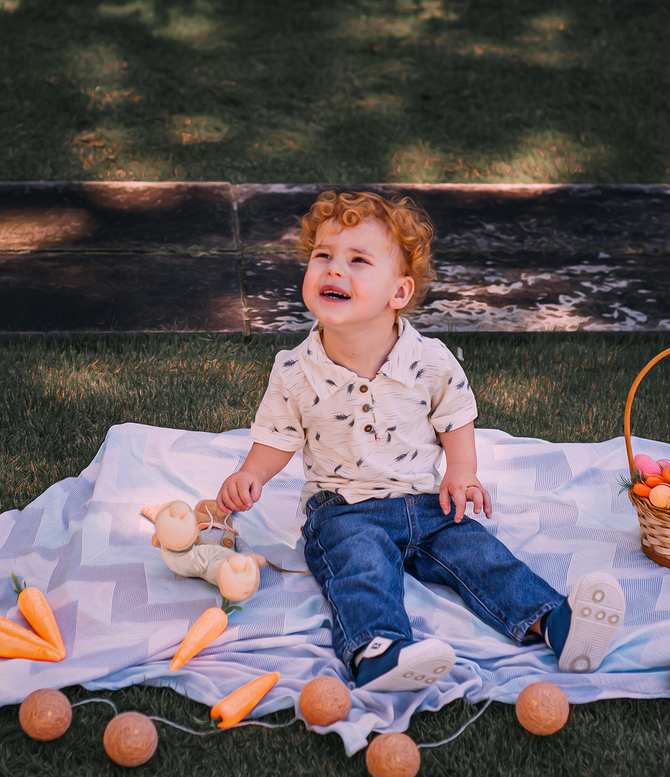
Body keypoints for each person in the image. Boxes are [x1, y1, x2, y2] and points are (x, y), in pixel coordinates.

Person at [216, 191, 624, 692]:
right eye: (323, 255)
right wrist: (251, 474)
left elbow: (455, 416)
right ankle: (379, 651)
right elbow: (276, 434)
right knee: (360, 568)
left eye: (358, 260)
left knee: (480, 553)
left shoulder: (428, 359)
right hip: (345, 509)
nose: (333, 269)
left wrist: (461, 471)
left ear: (399, 292)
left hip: (427, 505)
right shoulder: (295, 369)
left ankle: (554, 622)